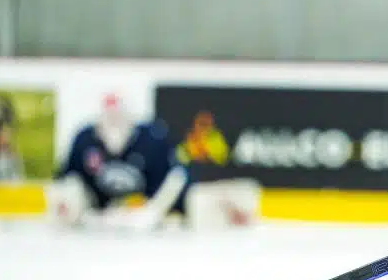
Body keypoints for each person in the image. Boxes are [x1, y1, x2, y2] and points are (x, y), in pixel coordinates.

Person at [45, 93, 259, 231]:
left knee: (202, 205)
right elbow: (67, 178)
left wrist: (155, 210)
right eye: (108, 118)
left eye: (118, 118)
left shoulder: (152, 139)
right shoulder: (85, 140)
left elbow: (176, 177)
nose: (113, 124)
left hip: (156, 206)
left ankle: (230, 208)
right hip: (103, 212)